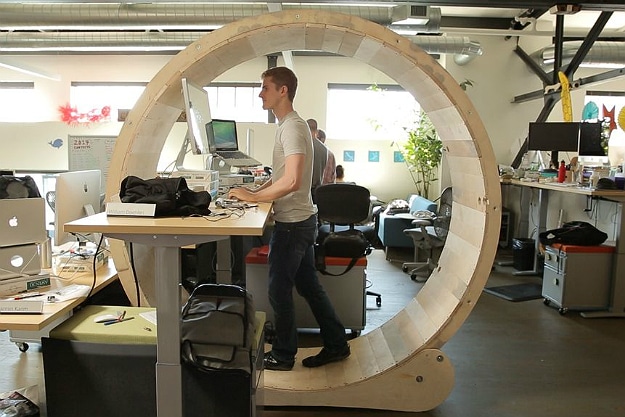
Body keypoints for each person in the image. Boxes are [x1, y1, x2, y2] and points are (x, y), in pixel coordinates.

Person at [229, 66, 350, 371]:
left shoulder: (292, 127)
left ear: (283, 91)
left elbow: (293, 180)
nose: (260, 94)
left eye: (265, 87)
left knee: (278, 291)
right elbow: (283, 175)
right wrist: (256, 191)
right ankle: (337, 344)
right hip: (302, 219)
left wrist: (254, 199)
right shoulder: (288, 125)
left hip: (293, 225)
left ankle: (283, 355)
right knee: (309, 287)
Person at [306, 118, 330, 200]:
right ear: (316, 131)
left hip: (304, 190)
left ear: (305, 129)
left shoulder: (303, 145)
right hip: (317, 190)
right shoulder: (324, 149)